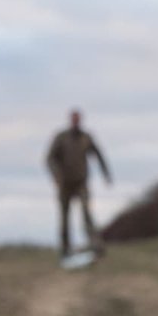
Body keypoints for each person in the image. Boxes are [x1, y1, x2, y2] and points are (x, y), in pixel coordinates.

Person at [45, 110, 112, 258]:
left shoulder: (86, 137)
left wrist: (106, 174)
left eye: (78, 119)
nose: (76, 122)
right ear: (70, 120)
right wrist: (57, 176)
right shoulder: (61, 137)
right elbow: (49, 159)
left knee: (87, 214)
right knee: (64, 217)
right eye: (73, 119)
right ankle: (65, 250)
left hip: (81, 182)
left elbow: (99, 155)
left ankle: (96, 247)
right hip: (64, 184)